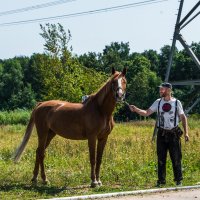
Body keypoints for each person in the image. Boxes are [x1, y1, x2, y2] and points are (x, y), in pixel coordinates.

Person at [129, 82, 189, 187]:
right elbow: (147, 112)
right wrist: (136, 109)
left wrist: (186, 133)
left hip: (173, 133)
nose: (160, 91)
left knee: (176, 157)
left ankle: (178, 180)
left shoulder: (176, 103)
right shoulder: (158, 102)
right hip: (161, 133)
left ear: (169, 90)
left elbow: (183, 117)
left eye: (162, 89)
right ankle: (161, 181)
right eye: (160, 89)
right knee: (161, 158)